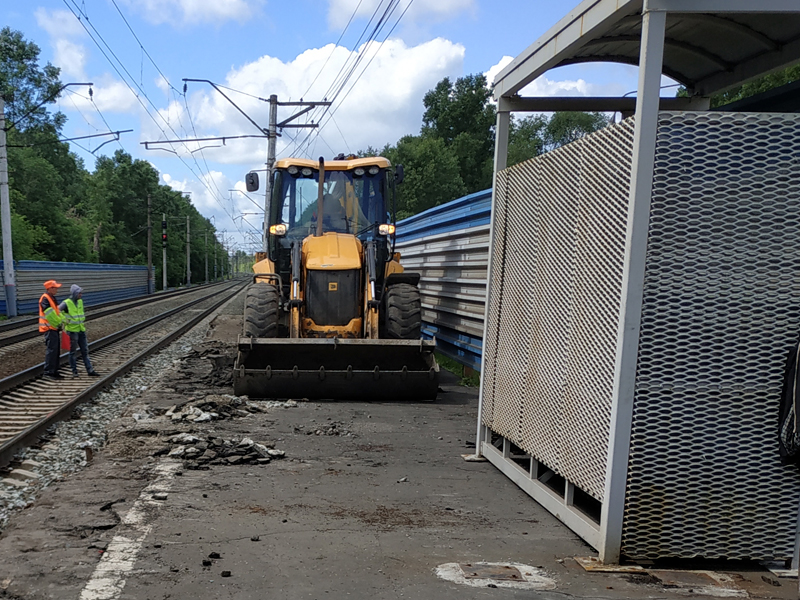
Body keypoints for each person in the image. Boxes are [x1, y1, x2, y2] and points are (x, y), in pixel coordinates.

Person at [59, 284, 98, 378]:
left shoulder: (80, 301)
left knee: (85, 350)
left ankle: (90, 370)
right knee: (73, 352)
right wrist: (64, 320)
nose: (81, 294)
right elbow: (57, 311)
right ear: (74, 293)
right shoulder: (66, 303)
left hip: (81, 329)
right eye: (79, 293)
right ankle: (74, 372)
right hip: (72, 331)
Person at [39, 280, 64, 379]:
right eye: (55, 288)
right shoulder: (45, 299)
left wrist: (62, 321)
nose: (57, 289)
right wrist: (59, 323)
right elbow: (50, 314)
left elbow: (57, 312)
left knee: (55, 350)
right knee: (52, 350)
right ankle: (48, 372)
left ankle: (54, 371)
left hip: (53, 328)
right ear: (49, 288)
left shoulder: (52, 298)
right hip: (49, 328)